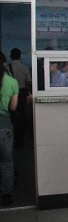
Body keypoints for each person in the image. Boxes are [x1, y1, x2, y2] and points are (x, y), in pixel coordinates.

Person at [0, 51, 19, 207]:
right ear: (4, 64)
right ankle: (6, 195)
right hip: (5, 126)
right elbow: (13, 107)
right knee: (6, 163)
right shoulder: (11, 82)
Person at [8, 48, 31, 148]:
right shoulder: (24, 68)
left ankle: (13, 137)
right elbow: (29, 81)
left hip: (11, 93)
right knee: (22, 114)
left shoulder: (7, 67)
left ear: (10, 56)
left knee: (12, 115)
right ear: (20, 56)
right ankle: (21, 138)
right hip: (22, 93)